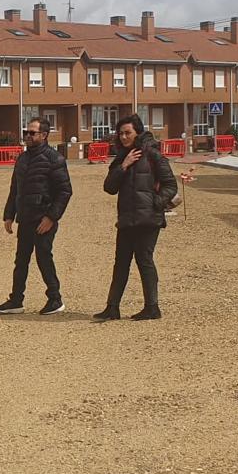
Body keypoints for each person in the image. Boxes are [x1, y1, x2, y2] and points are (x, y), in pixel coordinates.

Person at [95, 114, 177, 322]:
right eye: (120, 133)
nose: (123, 137)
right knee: (120, 263)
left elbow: (171, 185)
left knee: (144, 261)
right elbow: (109, 187)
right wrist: (124, 166)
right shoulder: (122, 157)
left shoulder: (153, 155)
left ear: (138, 132)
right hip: (126, 219)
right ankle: (112, 308)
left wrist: (155, 203)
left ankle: (152, 307)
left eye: (127, 133)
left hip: (148, 220)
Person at [0, 117, 73, 315]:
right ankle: (16, 300)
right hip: (26, 218)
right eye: (26, 132)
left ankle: (55, 299)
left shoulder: (54, 159)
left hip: (44, 219)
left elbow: (65, 191)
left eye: (32, 133)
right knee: (21, 260)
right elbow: (15, 189)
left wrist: (51, 217)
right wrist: (9, 215)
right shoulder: (23, 158)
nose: (27, 136)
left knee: (44, 257)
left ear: (44, 135)